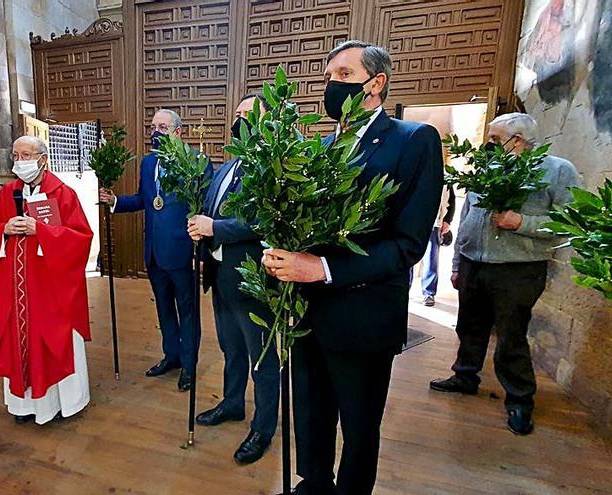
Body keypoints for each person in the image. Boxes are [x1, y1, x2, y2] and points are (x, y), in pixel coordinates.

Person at [261, 40, 443, 494]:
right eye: (328, 77)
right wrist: (281, 253)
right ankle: (315, 481)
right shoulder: (320, 147)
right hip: (309, 314)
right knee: (311, 410)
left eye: (343, 75)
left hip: (364, 315)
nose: (331, 85)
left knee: (359, 426)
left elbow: (406, 244)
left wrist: (321, 267)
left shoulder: (413, 140)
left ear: (375, 83)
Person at [430, 112, 580, 436]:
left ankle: (519, 400)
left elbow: (569, 224)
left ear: (519, 140)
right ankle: (465, 376)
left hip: (518, 269)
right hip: (474, 263)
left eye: (496, 139)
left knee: (511, 336)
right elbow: (468, 216)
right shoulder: (486, 171)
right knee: (468, 326)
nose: (489, 145)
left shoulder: (556, 171)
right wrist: (457, 263)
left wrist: (520, 222)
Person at [187, 94, 279, 465]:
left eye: (248, 115)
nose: (239, 121)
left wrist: (216, 227)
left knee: (263, 359)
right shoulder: (226, 167)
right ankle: (232, 403)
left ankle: (263, 427)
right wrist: (200, 229)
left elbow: (266, 221)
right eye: (237, 114)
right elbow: (209, 212)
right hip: (220, 275)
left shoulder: (272, 168)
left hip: (253, 277)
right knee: (231, 348)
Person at [0, 135, 93, 424]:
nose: (20, 161)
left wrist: (40, 230)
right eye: (16, 156)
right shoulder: (7, 193)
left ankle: (61, 403)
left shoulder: (62, 194)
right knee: (17, 337)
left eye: (26, 155)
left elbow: (81, 239)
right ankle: (23, 405)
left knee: (51, 338)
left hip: (49, 289)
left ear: (43, 159)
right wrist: (4, 228)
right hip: (14, 289)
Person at [99, 109, 200, 392]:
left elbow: (202, 208)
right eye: (153, 126)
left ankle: (189, 367)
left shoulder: (196, 161)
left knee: (188, 312)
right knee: (165, 310)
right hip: (154, 252)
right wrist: (115, 200)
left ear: (178, 132)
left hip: (182, 253)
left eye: (162, 127)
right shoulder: (148, 162)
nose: (156, 131)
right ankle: (172, 356)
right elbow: (145, 199)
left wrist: (199, 250)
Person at [411, 184, 456, 306]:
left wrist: (447, 220)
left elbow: (451, 200)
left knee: (431, 259)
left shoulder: (446, 178)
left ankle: (429, 293)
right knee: (408, 256)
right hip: (413, 222)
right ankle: (405, 288)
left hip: (434, 224)